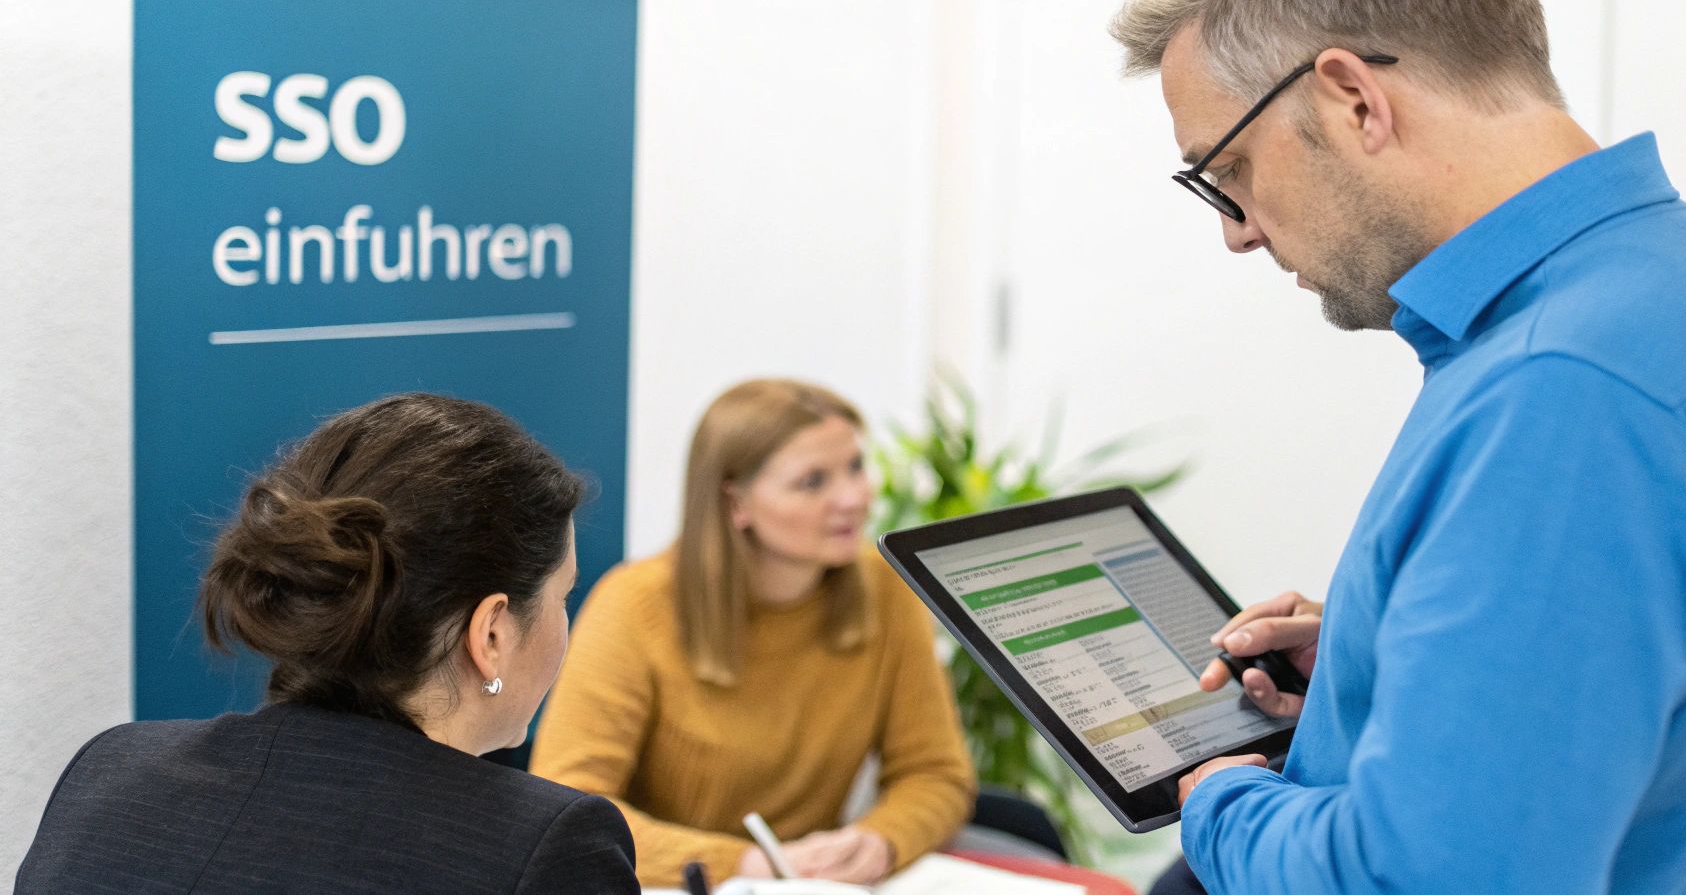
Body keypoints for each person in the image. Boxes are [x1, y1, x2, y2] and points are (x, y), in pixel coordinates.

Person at [1108, 0, 1686, 894]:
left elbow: (1431, 881)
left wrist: (1220, 795)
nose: (1237, 230)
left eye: (1227, 170)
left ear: (1351, 97)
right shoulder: (1681, 288)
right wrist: (1382, 667)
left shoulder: (1565, 392)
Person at [17, 393, 640, 894]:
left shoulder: (109, 776)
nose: (566, 624)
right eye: (563, 597)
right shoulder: (547, 847)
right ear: (492, 634)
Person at [531, 379, 975, 888]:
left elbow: (936, 773)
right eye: (813, 482)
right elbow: (567, 803)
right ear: (735, 503)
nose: (854, 497)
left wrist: (880, 840)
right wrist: (744, 865)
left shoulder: (886, 593)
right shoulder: (634, 606)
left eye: (855, 466)